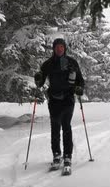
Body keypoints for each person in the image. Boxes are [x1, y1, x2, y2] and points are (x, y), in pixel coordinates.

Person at [34, 38, 85, 171]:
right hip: (54, 99)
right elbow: (40, 81)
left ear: (65, 48)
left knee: (66, 126)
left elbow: (80, 81)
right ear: (54, 48)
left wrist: (79, 89)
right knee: (55, 128)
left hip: (68, 99)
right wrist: (38, 79)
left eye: (61, 47)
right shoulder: (48, 64)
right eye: (57, 47)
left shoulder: (72, 62)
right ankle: (56, 154)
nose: (59, 49)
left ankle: (68, 155)